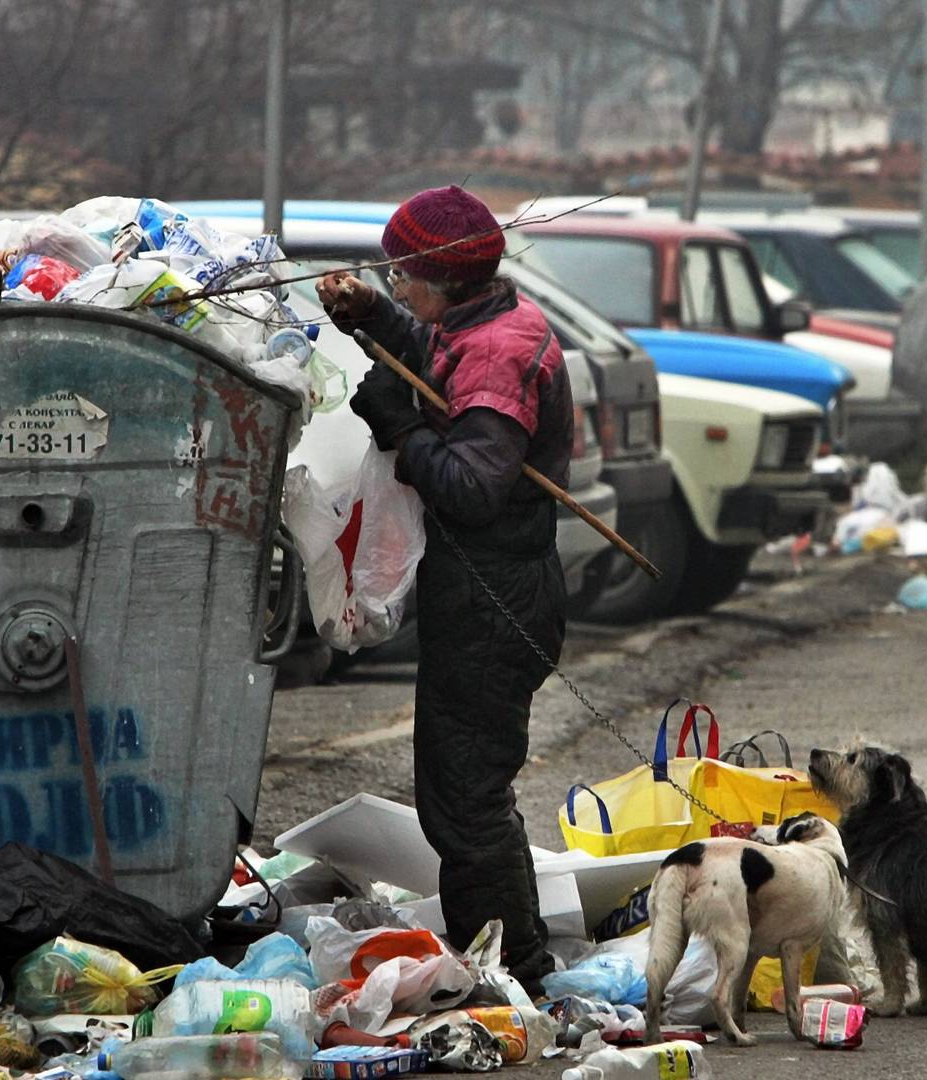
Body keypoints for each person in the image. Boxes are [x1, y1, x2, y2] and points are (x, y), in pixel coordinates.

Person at [316, 186, 570, 991]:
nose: (395, 284)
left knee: (465, 801)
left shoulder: (502, 353)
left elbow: (470, 487)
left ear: (449, 281)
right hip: (483, 590)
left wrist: (401, 425)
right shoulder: (477, 324)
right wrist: (370, 318)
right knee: (463, 794)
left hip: (499, 597)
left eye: (402, 276)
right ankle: (503, 960)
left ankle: (513, 975)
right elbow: (432, 356)